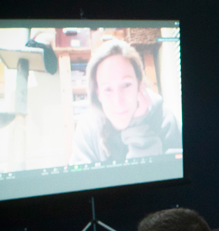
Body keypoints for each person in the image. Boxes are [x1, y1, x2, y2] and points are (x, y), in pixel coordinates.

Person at [70, 37, 182, 165]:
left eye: (126, 85)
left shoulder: (164, 118)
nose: (119, 102)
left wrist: (138, 129)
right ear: (98, 94)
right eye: (108, 89)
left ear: (139, 84)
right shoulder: (87, 129)